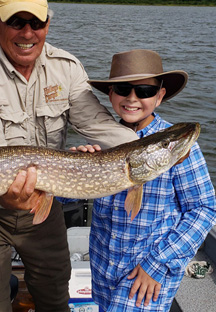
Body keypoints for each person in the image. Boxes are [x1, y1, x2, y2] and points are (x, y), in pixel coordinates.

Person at [0, 0, 137, 312]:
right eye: (16, 21)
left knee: (54, 296)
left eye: (37, 21)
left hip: (43, 204)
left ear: (49, 21)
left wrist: (143, 145)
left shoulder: (66, 67)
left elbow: (97, 124)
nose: (28, 32)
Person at [84, 49, 216, 311]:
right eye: (123, 89)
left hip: (146, 276)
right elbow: (67, 192)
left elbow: (204, 209)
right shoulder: (103, 137)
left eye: (144, 91)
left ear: (159, 96)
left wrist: (156, 264)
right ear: (110, 94)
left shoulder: (176, 147)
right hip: (102, 269)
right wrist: (78, 161)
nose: (132, 98)